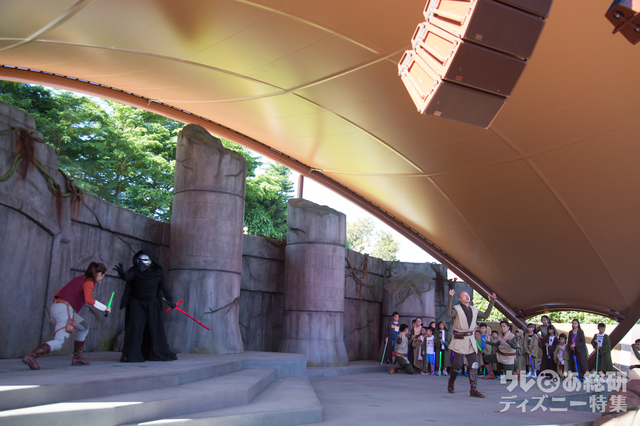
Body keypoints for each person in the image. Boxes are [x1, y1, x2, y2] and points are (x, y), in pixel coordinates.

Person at [22, 262, 111, 370]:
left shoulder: (81, 278)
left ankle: (77, 357)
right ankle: (32, 356)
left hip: (59, 306)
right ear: (99, 274)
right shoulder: (89, 282)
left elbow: (58, 292)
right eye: (103, 275)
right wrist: (105, 308)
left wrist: (53, 312)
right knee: (61, 342)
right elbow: (89, 299)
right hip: (65, 308)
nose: (102, 278)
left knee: (84, 326)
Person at [115, 249, 177, 363]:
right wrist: (122, 274)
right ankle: (130, 353)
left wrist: (170, 300)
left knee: (155, 328)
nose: (141, 263)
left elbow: (164, 288)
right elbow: (128, 277)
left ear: (151, 261)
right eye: (139, 260)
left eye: (144, 260)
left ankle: (158, 352)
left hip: (152, 303)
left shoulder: (158, 273)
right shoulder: (135, 271)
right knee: (135, 327)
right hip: (137, 302)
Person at [445, 289, 496, 398]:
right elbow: (448, 314)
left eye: (468, 295)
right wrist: (450, 297)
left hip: (470, 339)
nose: (467, 296)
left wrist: (491, 302)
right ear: (460, 299)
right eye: (464, 295)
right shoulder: (456, 309)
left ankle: (474, 389)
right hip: (459, 339)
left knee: (473, 365)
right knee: (457, 365)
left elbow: (486, 315)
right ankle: (451, 382)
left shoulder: (474, 309)